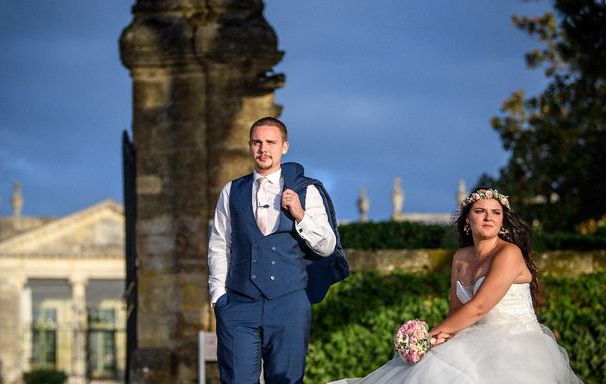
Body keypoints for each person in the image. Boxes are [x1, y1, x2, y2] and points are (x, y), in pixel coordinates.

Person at [329, 188, 583, 384]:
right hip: (473, 338)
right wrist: (440, 338)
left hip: (516, 344)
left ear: (503, 222)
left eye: (496, 212)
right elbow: (456, 312)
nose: (488, 217)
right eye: (480, 211)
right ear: (467, 220)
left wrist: (427, 337)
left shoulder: (509, 254)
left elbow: (479, 306)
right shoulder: (461, 258)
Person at [208, 116, 349, 384]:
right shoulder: (231, 191)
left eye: (271, 142)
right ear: (250, 146)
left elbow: (327, 246)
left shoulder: (306, 191)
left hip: (289, 305)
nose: (263, 149)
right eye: (257, 142)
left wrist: (300, 214)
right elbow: (219, 244)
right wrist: (219, 297)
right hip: (238, 304)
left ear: (284, 146)